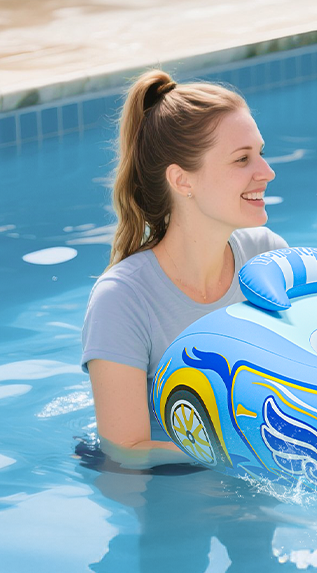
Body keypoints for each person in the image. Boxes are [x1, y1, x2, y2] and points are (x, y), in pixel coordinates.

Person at [82, 69, 287, 468]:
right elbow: (126, 449)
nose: (266, 171)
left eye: (260, 153)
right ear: (182, 180)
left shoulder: (267, 257)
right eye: (242, 159)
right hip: (165, 489)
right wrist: (249, 457)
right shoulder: (122, 300)